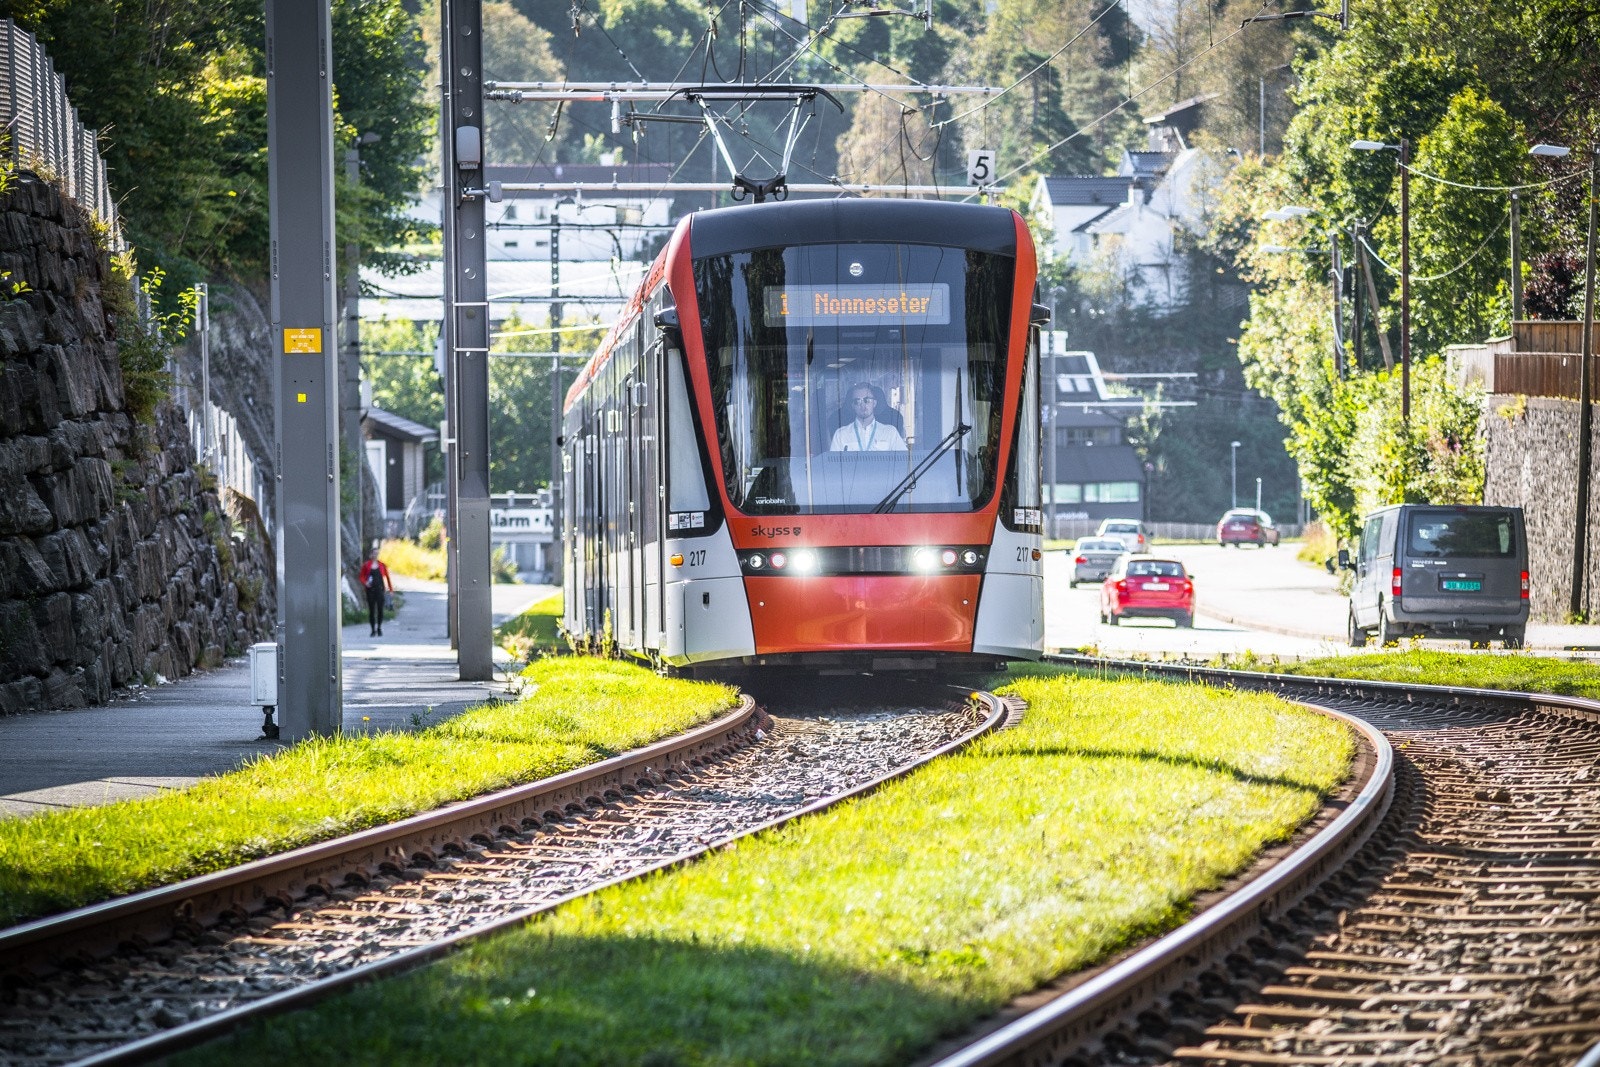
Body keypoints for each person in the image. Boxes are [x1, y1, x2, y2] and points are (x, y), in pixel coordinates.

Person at [830, 383, 907, 452]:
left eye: (867, 400)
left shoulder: (890, 433)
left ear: (874, 403)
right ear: (853, 406)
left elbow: (903, 463)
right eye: (857, 401)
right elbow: (833, 466)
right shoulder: (841, 435)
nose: (862, 405)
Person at [358, 550, 393, 636]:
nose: (375, 555)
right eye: (374, 553)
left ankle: (379, 628)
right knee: (372, 610)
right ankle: (373, 629)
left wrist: (391, 589)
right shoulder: (366, 565)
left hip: (380, 590)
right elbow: (361, 576)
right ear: (371, 555)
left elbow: (387, 577)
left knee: (380, 609)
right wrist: (365, 582)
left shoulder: (382, 565)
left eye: (377, 554)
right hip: (370, 590)